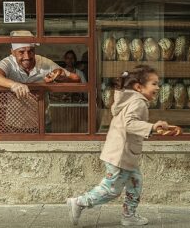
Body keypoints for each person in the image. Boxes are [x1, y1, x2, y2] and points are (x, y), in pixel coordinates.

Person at [66, 65, 169, 226]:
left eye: (158, 83)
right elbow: (129, 123)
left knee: (136, 182)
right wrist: (152, 127)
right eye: (154, 84)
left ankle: (129, 215)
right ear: (139, 87)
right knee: (111, 189)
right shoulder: (138, 103)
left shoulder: (130, 99)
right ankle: (80, 202)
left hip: (125, 153)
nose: (158, 87)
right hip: (121, 154)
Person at [0, 30, 81, 99]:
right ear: (13, 52)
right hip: (15, 122)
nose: (27, 56)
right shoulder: (9, 62)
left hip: (42, 120)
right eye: (21, 52)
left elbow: (77, 78)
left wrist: (62, 77)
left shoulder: (44, 63)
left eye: (30, 51)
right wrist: (14, 85)